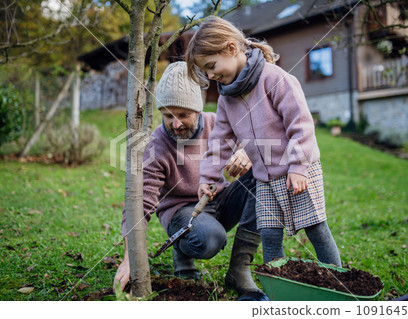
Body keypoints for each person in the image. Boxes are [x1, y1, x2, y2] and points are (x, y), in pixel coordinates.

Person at [185, 17, 342, 266]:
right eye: (206, 71)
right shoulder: (227, 99)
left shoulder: (275, 80)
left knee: (315, 229)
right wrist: (208, 177)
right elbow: (220, 142)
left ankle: (336, 282)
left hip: (298, 171)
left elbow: (301, 125)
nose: (211, 74)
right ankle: (276, 284)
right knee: (269, 233)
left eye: (212, 65)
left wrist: (299, 167)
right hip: (264, 179)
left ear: (231, 48)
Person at [113, 61, 268, 301]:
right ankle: (182, 249)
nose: (175, 124)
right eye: (168, 116)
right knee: (210, 239)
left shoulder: (216, 123)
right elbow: (141, 204)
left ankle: (239, 269)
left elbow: (256, 143)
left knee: (265, 173)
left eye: (183, 115)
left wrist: (247, 152)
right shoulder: (156, 147)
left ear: (197, 110)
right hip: (181, 212)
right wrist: (128, 257)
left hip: (218, 200)